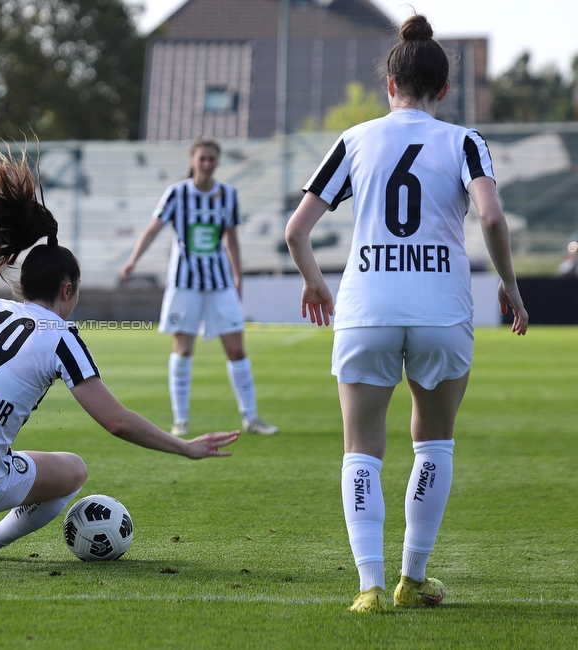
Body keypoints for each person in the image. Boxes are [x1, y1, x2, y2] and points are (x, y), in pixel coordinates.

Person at [284, 15, 528, 613]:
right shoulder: (464, 140)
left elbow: (297, 230)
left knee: (361, 447)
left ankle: (368, 586)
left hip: (367, 306)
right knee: (433, 444)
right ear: (443, 90)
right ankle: (412, 579)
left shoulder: (355, 139)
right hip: (440, 309)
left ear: (388, 86)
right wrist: (510, 286)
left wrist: (316, 283)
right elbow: (492, 218)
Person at [0, 144, 239, 560]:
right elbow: (115, 421)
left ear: (23, 286)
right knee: (74, 470)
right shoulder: (62, 336)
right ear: (67, 289)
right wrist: (184, 446)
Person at [120, 137, 277, 438]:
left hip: (219, 283)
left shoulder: (228, 194)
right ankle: (181, 421)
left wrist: (238, 275)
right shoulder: (176, 194)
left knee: (236, 348)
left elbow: (231, 238)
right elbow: (153, 228)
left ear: (218, 162)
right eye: (202, 158)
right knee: (183, 348)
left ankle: (252, 417)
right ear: (192, 161)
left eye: (212, 159)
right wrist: (133, 261)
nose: (206, 164)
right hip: (185, 284)